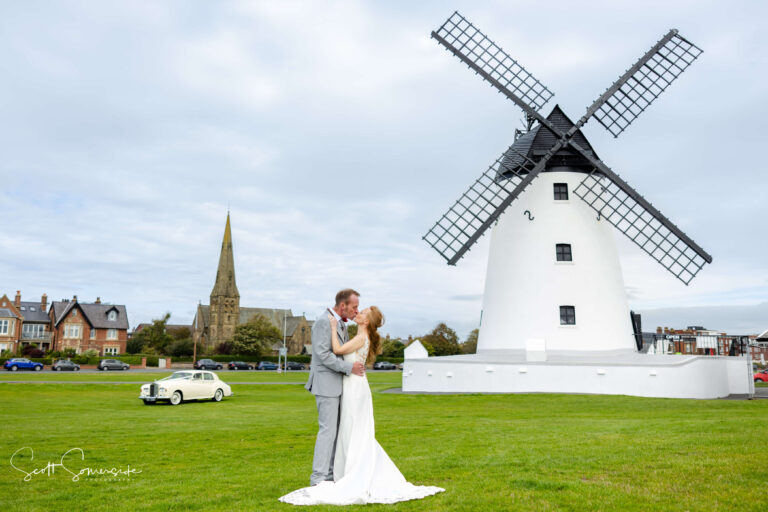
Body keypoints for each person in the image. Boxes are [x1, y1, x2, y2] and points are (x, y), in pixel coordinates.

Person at [280, 304, 445, 505]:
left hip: (354, 388)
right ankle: (348, 470)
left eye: (362, 312)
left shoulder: (360, 337)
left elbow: (338, 349)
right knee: (352, 429)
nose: (358, 313)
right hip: (353, 385)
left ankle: (352, 472)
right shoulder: (360, 336)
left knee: (353, 429)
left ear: (366, 321)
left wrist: (333, 328)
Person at [304, 289, 366, 486]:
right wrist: (349, 368)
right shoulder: (324, 321)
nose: (356, 311)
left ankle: (330, 475)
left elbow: (340, 351)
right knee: (327, 431)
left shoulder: (339, 323)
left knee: (336, 431)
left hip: (338, 385)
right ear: (343, 306)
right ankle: (318, 478)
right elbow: (323, 354)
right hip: (326, 384)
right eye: (354, 307)